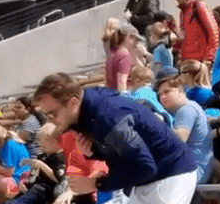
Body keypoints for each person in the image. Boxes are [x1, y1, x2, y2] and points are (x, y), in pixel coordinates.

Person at [32, 72, 197, 204]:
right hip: (150, 179)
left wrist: (95, 184)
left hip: (171, 174)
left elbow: (144, 167)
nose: (50, 120)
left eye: (52, 114)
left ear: (73, 103)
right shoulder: (86, 111)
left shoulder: (108, 116)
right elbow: (124, 157)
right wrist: (95, 153)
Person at [155, 75, 215, 184]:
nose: (162, 97)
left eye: (167, 92)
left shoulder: (186, 110)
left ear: (180, 91)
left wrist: (156, 127)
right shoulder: (189, 107)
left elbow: (180, 138)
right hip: (191, 170)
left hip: (191, 173)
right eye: (160, 94)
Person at [171, 0, 220, 64]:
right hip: (191, 61)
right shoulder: (183, 12)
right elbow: (185, 36)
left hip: (201, 60)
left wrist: (209, 58)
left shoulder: (198, 6)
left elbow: (213, 32)